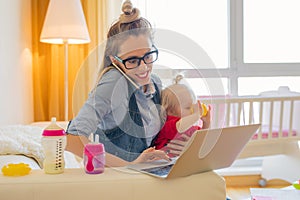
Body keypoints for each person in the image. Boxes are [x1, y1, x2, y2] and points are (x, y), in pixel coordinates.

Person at [66, 0, 186, 167]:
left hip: (147, 174)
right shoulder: (114, 83)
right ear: (115, 60)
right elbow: (72, 139)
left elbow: (157, 138)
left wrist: (177, 145)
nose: (144, 67)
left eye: (148, 56)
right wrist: (130, 166)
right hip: (120, 180)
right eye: (132, 60)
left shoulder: (155, 83)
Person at [151, 75, 211, 156]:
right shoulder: (166, 125)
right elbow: (179, 127)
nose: (191, 110)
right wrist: (196, 115)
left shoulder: (189, 126)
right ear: (170, 110)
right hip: (162, 164)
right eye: (187, 107)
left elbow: (201, 138)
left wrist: (206, 124)